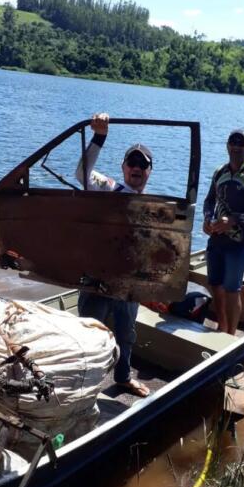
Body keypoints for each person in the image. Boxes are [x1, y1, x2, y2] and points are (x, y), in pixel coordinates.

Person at [73, 112, 152, 397]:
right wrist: (99, 137)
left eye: (143, 165)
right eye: (132, 162)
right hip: (98, 278)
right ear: (123, 167)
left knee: (126, 334)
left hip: (129, 282)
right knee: (91, 333)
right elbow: (81, 174)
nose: (136, 168)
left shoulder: (154, 206)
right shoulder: (109, 188)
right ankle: (83, 385)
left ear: (149, 171)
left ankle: (122, 377)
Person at [202, 129, 244, 335]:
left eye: (241, 143)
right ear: (227, 145)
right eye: (233, 142)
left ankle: (230, 335)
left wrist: (233, 220)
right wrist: (207, 219)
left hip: (239, 243)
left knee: (232, 290)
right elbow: (209, 200)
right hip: (216, 240)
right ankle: (222, 327)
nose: (236, 146)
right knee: (215, 284)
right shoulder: (219, 172)